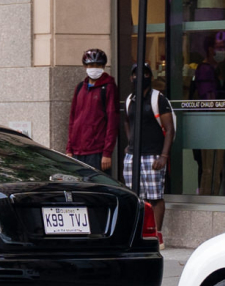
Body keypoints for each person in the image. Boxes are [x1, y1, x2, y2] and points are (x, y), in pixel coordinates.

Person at [118, 61, 174, 237]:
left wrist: (164, 155)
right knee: (136, 197)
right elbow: (127, 120)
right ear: (131, 77)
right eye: (135, 74)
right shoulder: (130, 99)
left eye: (145, 73)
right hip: (133, 155)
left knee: (155, 197)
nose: (139, 77)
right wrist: (130, 142)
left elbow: (170, 128)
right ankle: (139, 232)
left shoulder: (158, 99)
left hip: (154, 155)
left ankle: (156, 234)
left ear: (151, 76)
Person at [67, 47, 117, 173]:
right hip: (77, 151)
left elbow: (112, 121)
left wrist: (107, 153)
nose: (94, 68)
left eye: (98, 65)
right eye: (91, 65)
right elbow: (73, 119)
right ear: (85, 66)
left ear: (104, 66)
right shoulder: (80, 87)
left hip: (96, 152)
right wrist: (69, 149)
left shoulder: (108, 88)